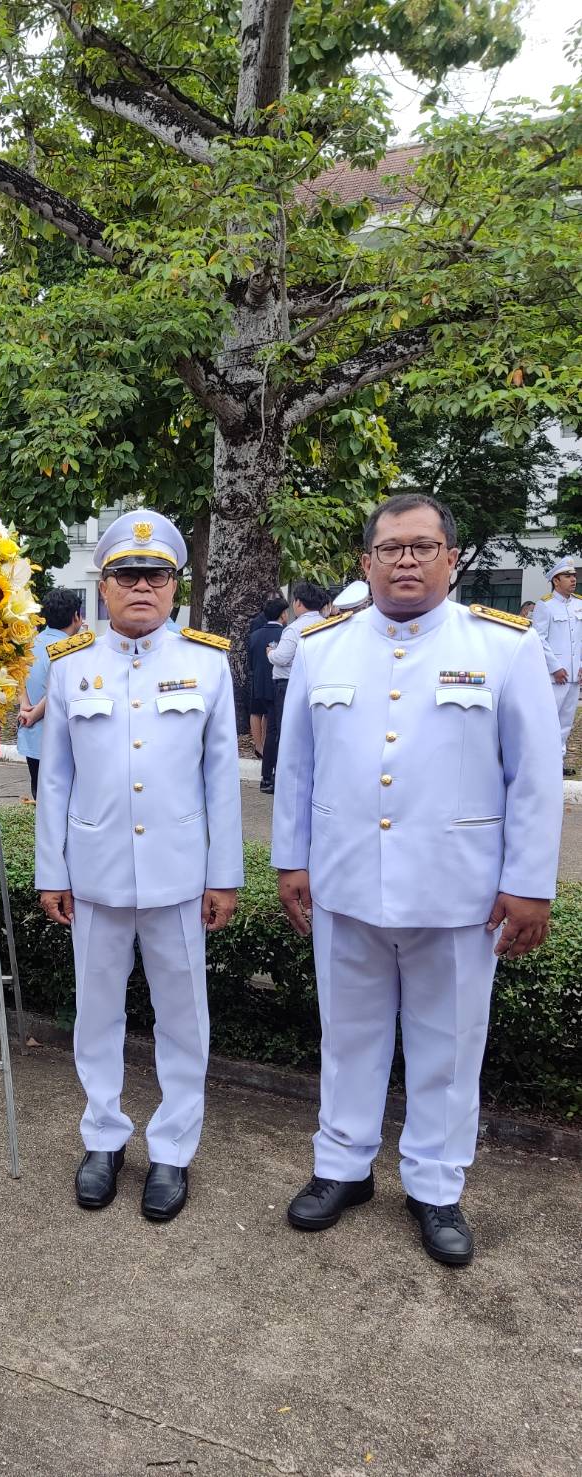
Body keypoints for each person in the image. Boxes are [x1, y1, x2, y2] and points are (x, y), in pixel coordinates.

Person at [271, 493, 562, 1267]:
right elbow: (295, 767)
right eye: (391, 547)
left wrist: (531, 883)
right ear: (366, 562)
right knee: (348, 1036)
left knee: (449, 1045)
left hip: (458, 893)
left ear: (450, 559)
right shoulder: (324, 647)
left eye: (423, 546)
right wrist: (290, 860)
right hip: (345, 885)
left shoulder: (504, 646)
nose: (406, 559)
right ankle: (342, 1165)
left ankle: (435, 1183)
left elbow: (534, 776)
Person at [35, 510, 243, 1222]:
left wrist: (223, 875)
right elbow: (54, 779)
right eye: (126, 574)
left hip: (179, 874)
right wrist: (51, 870)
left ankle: (174, 1147)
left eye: (156, 574)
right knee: (96, 1014)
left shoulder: (206, 663)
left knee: (183, 1018)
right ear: (104, 586)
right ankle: (103, 1137)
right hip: (94, 872)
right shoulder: (73, 665)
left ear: (176, 584)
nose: (142, 586)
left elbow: (221, 780)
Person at [260, 580, 329, 794]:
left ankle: (281, 779)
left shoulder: (294, 628)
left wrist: (271, 653)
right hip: (317, 684)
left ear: (298, 603)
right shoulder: (327, 625)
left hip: (287, 685)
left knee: (286, 732)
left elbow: (282, 657)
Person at [16, 587, 83, 800]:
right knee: (62, 802)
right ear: (76, 616)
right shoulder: (70, 649)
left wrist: (25, 707)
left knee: (40, 800)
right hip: (58, 742)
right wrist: (34, 714)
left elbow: (18, 676)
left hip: (31, 738)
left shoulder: (30, 644)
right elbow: (58, 688)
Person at [531, 555, 582, 775]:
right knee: (548, 721)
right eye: (567, 576)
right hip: (555, 676)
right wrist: (555, 667)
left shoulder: (579, 604)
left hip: (574, 675)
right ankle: (542, 763)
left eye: (574, 575)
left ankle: (557, 763)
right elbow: (539, 639)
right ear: (556, 580)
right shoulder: (546, 605)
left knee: (565, 723)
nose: (573, 579)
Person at [247, 596, 288, 759]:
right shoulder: (285, 634)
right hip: (277, 680)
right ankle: (267, 744)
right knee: (270, 714)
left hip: (257, 678)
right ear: (283, 614)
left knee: (256, 712)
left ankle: (259, 747)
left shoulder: (254, 635)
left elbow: (249, 660)